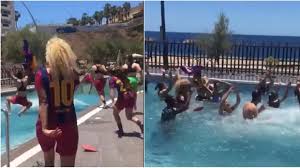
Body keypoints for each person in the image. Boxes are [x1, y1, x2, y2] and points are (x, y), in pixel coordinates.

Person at [35, 37, 81, 166]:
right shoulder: (73, 74)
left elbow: (43, 102)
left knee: (49, 163)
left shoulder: (41, 75)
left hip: (48, 124)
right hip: (68, 123)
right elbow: (73, 92)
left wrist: (44, 129)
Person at [109, 67, 143, 137]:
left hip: (122, 98)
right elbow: (131, 89)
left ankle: (121, 131)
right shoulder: (125, 78)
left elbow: (112, 91)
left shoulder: (112, 79)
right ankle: (139, 122)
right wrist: (134, 101)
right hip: (130, 97)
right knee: (129, 116)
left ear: (110, 73)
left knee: (115, 113)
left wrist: (112, 102)